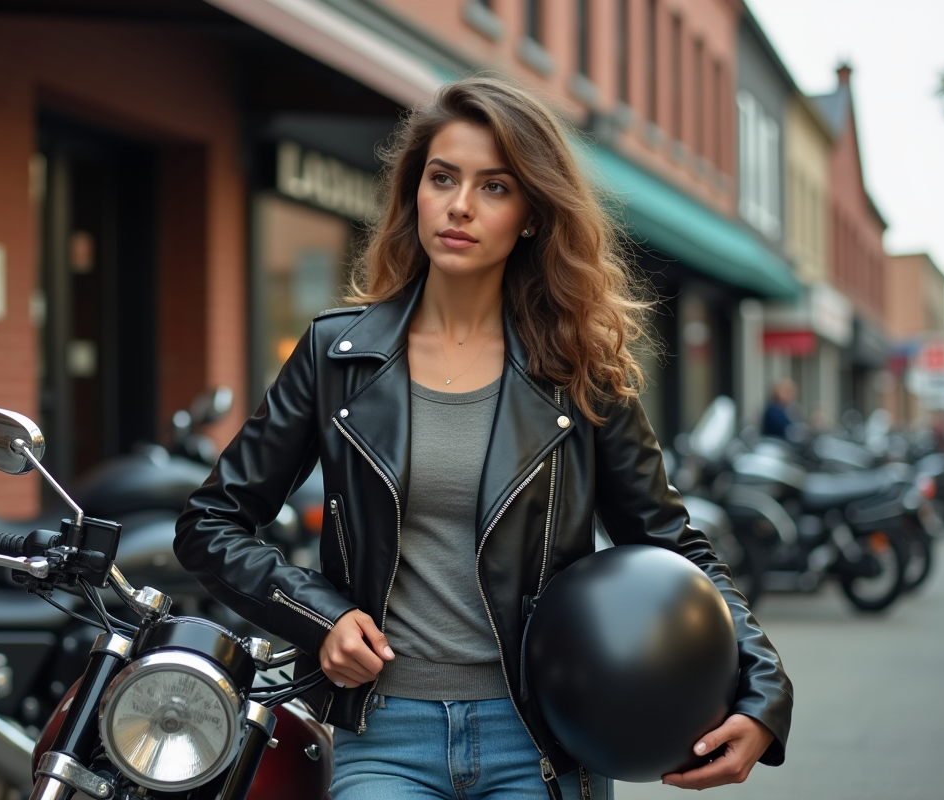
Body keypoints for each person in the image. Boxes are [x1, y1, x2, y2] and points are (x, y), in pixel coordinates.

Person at [174, 75, 792, 799]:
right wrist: (321, 616)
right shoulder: (336, 356)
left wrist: (763, 695)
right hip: (385, 732)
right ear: (415, 192)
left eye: (494, 187)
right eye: (442, 178)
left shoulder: (580, 370)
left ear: (531, 215)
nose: (460, 205)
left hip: (542, 736)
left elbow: (672, 547)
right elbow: (210, 523)